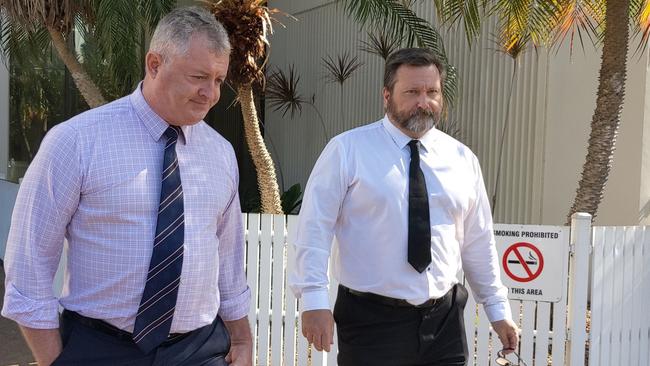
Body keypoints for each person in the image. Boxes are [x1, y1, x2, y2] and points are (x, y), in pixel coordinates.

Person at [1, 6, 252, 366]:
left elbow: (228, 260)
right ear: (154, 65)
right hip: (100, 349)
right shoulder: (76, 142)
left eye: (217, 80)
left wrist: (241, 339)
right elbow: (29, 263)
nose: (209, 94)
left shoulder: (221, 154)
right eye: (198, 77)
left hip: (198, 350)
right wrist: (54, 360)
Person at [289, 47, 519, 366]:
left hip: (445, 323)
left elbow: (479, 243)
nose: (423, 102)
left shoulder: (463, 160)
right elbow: (314, 228)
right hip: (370, 322)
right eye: (412, 92)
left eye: (432, 92)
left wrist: (498, 309)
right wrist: (313, 300)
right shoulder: (347, 151)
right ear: (387, 95)